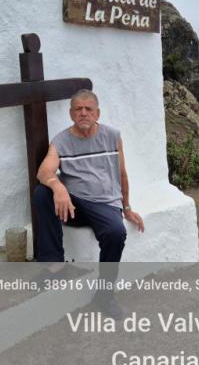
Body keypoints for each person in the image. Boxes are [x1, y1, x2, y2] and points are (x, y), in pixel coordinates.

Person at [33, 89, 144, 318]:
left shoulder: (112, 136)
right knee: (42, 193)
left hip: (105, 203)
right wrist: (58, 187)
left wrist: (127, 208)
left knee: (115, 233)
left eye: (88, 109)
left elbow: (122, 174)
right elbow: (44, 171)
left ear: (97, 113)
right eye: (78, 109)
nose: (83, 113)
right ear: (71, 114)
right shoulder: (61, 141)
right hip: (74, 205)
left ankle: (105, 295)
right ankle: (55, 266)